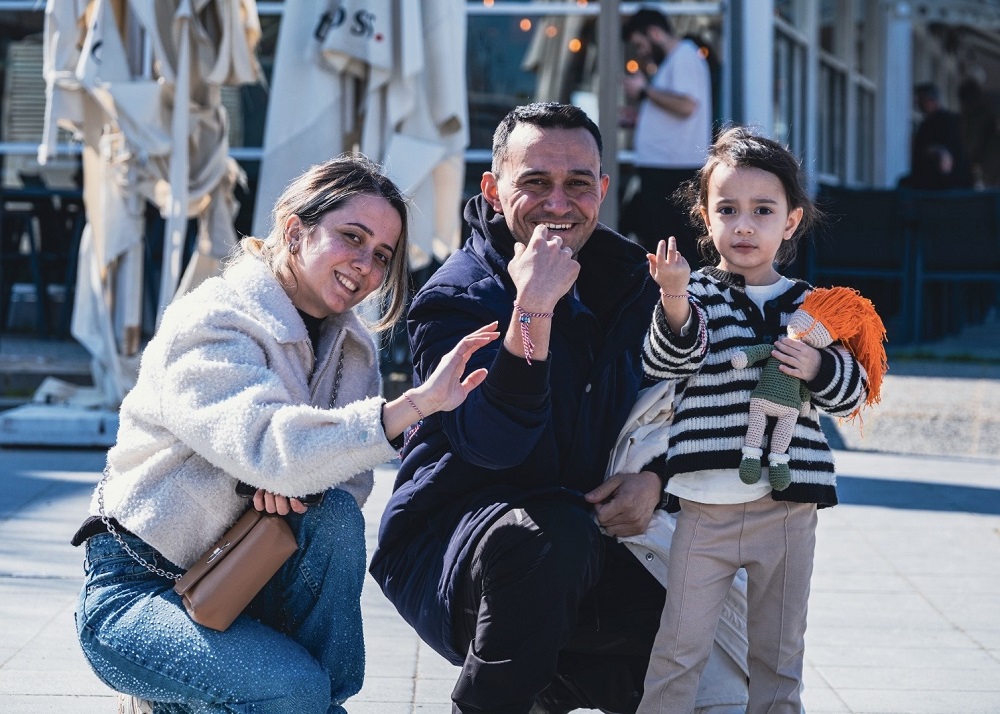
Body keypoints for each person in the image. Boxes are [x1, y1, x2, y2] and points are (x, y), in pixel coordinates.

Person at [70, 154, 500, 714]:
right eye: (351, 237)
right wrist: (410, 408)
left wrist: (299, 485)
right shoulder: (213, 319)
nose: (365, 265)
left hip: (247, 579)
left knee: (336, 519)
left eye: (381, 255)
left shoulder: (353, 349)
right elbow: (268, 447)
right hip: (138, 589)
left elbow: (342, 488)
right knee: (294, 690)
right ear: (295, 230)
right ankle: (177, 698)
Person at [369, 102, 671, 713]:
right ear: (494, 188)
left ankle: (539, 690)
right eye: (535, 182)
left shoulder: (634, 285)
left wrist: (656, 483)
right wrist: (533, 307)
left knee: (693, 621)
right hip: (455, 544)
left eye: (578, 184)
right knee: (545, 537)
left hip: (588, 541)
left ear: (603, 191)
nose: (558, 203)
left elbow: (688, 399)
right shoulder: (453, 298)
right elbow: (496, 444)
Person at [635, 125, 873, 713]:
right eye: (728, 209)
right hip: (703, 508)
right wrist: (670, 299)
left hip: (788, 510)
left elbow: (851, 393)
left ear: (791, 220)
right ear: (705, 217)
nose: (744, 225)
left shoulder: (814, 306)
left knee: (778, 655)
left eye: (762, 210)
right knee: (677, 649)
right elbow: (666, 357)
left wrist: (818, 366)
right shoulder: (698, 296)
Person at [621, 7, 713, 266]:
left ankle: (676, 298)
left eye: (641, 44)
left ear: (654, 33)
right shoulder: (677, 59)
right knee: (656, 238)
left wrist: (644, 91)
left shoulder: (684, 56)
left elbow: (687, 105)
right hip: (665, 168)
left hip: (672, 171)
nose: (642, 52)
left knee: (670, 243)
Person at [901, 82, 973, 190]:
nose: (918, 104)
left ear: (931, 100)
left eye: (922, 100)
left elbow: (952, 155)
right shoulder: (926, 125)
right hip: (928, 182)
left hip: (947, 184)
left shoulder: (948, 122)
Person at [958, 76, 1000, 189]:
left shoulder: (977, 111)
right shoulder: (991, 103)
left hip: (991, 162)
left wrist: (967, 160)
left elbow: (974, 141)